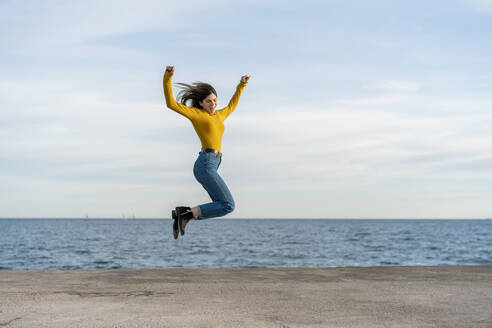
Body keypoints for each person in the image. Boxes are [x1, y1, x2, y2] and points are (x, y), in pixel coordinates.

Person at [163, 65, 250, 239]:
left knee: (221, 204)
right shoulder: (196, 115)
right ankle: (186, 215)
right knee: (228, 204)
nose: (213, 104)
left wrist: (241, 85)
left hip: (213, 163)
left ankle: (183, 213)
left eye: (215, 100)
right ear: (201, 103)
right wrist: (168, 76)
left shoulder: (220, 115)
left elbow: (232, 104)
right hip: (205, 163)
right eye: (209, 101)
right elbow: (171, 103)